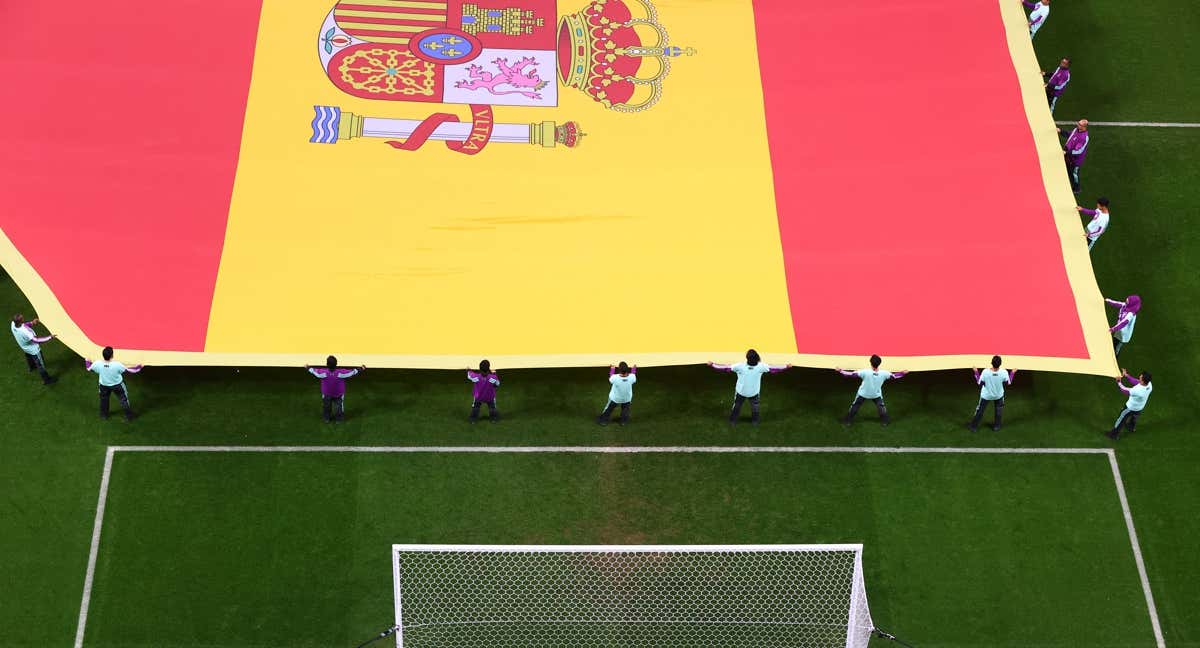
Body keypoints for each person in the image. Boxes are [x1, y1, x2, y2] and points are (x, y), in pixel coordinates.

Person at [709, 349, 791, 425]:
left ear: (747, 358)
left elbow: (725, 368)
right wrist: (786, 366)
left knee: (736, 407)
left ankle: (732, 421)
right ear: (757, 357)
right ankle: (755, 421)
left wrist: (712, 364)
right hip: (754, 393)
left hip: (741, 392)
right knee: (755, 408)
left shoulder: (740, 366)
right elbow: (775, 369)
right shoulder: (761, 366)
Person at [836, 355, 907, 426]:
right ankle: (885, 421)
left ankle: (848, 421)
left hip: (863, 393)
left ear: (870, 363)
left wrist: (840, 371)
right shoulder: (884, 373)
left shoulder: (865, 372)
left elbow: (851, 375)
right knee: (881, 407)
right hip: (876, 394)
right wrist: (903, 373)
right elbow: (894, 376)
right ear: (879, 363)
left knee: (855, 406)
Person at [85, 347, 143, 421]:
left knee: (104, 400)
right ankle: (129, 416)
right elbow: (129, 370)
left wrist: (87, 360)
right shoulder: (117, 365)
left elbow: (89, 368)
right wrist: (139, 367)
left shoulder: (98, 364)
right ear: (112, 355)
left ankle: (104, 415)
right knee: (123, 400)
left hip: (103, 385)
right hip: (117, 386)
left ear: (103, 355)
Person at [306, 356, 365, 422]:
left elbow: (314, 371)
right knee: (339, 408)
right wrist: (361, 368)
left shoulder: (322, 372)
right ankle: (339, 420)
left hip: (326, 394)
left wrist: (308, 367)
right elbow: (352, 372)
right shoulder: (341, 372)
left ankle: (326, 419)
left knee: (326, 407)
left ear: (327, 364)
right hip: (339, 394)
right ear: (336, 364)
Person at [968, 356, 1016, 432]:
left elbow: (979, 382)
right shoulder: (1004, 372)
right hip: (998, 395)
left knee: (980, 410)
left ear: (991, 363)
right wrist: (1013, 372)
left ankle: (973, 426)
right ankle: (996, 427)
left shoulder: (985, 372)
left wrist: (976, 371)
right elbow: (1008, 382)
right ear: (1000, 364)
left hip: (986, 395)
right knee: (998, 411)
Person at [10, 314, 57, 385]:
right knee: (40, 365)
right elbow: (36, 340)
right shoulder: (25, 332)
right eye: (22, 318)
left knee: (28, 356)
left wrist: (32, 323)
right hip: (34, 350)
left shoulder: (13, 324)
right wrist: (50, 337)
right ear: (20, 322)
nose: (23, 319)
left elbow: (23, 325)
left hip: (24, 347)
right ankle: (47, 380)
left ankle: (32, 367)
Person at [1108, 368, 1152, 440]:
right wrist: (1126, 375)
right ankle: (1131, 427)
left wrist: (1119, 382)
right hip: (1140, 407)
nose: (1139, 377)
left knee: (1121, 418)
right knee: (1134, 417)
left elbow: (1124, 390)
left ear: (1143, 381)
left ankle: (1114, 435)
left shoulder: (1137, 391)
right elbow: (1136, 382)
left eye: (1140, 378)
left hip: (1130, 408)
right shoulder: (1149, 384)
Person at [597, 362, 637, 426]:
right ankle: (623, 421)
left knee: (609, 409)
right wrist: (634, 368)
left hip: (615, 398)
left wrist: (612, 369)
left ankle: (603, 421)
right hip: (627, 398)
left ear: (619, 370)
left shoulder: (615, 377)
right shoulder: (632, 377)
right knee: (625, 409)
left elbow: (610, 378)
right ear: (627, 370)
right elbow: (633, 373)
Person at [1061, 119, 1090, 194]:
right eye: (1078, 123)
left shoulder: (1084, 138)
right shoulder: (1076, 130)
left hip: (1075, 160)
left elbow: (1079, 151)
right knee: (1068, 171)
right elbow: (1070, 135)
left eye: (1080, 124)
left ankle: (1077, 189)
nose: (1078, 125)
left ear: (1084, 127)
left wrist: (1067, 152)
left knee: (1074, 174)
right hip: (1068, 155)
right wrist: (1061, 131)